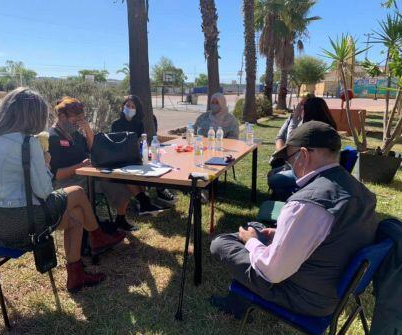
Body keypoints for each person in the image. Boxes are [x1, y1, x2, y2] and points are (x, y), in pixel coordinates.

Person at [0, 88, 125, 293]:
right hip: (23, 227)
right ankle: (97, 237)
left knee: (76, 216)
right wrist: (46, 164)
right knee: (78, 193)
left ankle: (77, 274)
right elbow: (45, 191)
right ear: (34, 116)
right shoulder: (29, 144)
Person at [210, 121, 378, 317]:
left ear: (304, 155)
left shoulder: (307, 205)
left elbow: (272, 272)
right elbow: (333, 237)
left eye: (289, 160)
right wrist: (279, 234)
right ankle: (238, 299)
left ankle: (237, 304)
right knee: (256, 226)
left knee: (222, 243)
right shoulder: (360, 191)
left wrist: (252, 242)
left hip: (302, 296)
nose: (289, 167)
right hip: (331, 288)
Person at [49, 97, 168, 232]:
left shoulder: (74, 133)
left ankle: (121, 219)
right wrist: (79, 166)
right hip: (69, 181)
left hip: (87, 173)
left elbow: (92, 148)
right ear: (62, 117)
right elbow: (57, 175)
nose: (77, 124)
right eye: (75, 120)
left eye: (81, 120)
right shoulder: (53, 137)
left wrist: (87, 129)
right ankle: (102, 227)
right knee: (115, 182)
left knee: (120, 181)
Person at [268, 96, 337, 200]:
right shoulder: (329, 127)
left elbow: (291, 142)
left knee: (273, 178)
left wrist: (294, 120)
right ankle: (286, 197)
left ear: (309, 111)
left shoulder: (311, 129)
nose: (300, 110)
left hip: (311, 172)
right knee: (274, 173)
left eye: (302, 108)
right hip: (321, 170)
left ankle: (292, 200)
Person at [111, 95, 176, 206]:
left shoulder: (138, 124)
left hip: (136, 156)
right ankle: (144, 201)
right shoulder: (116, 124)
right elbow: (114, 144)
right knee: (130, 174)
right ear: (123, 107)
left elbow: (141, 141)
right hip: (121, 159)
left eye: (132, 106)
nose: (129, 108)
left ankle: (159, 191)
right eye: (127, 105)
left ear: (137, 110)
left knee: (153, 165)